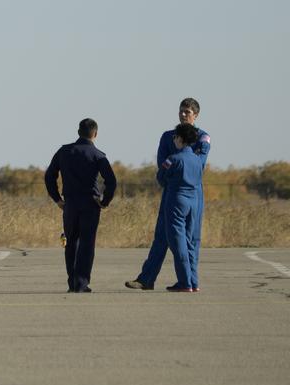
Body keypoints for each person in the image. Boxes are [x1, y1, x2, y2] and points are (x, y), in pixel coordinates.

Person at [126, 97, 211, 291]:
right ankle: (147, 279)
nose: (183, 115)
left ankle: (190, 280)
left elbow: (201, 162)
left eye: (187, 112)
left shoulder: (203, 136)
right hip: (172, 190)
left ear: (195, 115)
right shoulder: (167, 136)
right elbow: (161, 164)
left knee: (192, 238)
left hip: (193, 192)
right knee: (161, 236)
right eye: (181, 111)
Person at [44, 118, 117, 293]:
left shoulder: (64, 152)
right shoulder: (98, 155)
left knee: (71, 242)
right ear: (95, 134)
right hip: (91, 204)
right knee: (87, 243)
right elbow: (111, 181)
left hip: (70, 204)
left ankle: (73, 282)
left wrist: (57, 199)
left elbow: (49, 176)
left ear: (78, 132)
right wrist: (104, 201)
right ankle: (82, 283)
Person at [159, 123, 205, 292]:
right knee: (191, 242)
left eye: (175, 137)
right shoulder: (197, 159)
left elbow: (161, 177)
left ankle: (184, 282)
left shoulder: (173, 159)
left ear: (180, 138)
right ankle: (194, 281)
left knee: (178, 242)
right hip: (195, 201)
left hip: (177, 199)